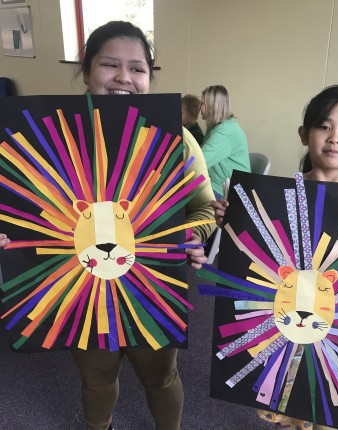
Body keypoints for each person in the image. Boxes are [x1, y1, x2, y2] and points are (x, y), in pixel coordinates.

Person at [0, 21, 215, 430]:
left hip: (154, 285)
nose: (123, 77)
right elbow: (14, 207)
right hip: (77, 287)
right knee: (96, 378)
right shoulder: (47, 135)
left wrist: (192, 234)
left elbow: (203, 208)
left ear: (149, 78)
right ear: (86, 71)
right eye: (110, 65)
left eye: (137, 68)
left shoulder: (175, 137)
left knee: (161, 376)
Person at [211, 84, 338, 430]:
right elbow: (253, 261)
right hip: (284, 321)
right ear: (304, 134)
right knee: (288, 400)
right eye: (323, 126)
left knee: (330, 403)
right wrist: (235, 220)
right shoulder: (274, 201)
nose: (335, 137)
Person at [200, 85, 250, 198]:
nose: (200, 108)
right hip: (217, 183)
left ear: (212, 106)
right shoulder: (215, 126)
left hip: (227, 191)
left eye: (202, 104)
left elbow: (199, 162)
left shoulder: (224, 133)